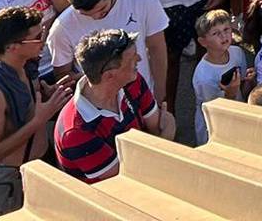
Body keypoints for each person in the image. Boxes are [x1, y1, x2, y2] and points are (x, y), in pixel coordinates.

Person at [52, 28, 174, 183]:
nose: (139, 59)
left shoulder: (132, 80)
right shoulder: (76, 131)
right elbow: (125, 178)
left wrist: (160, 139)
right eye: (131, 59)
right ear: (109, 75)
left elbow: (156, 127)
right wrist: (167, 137)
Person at [45, 0, 168, 104]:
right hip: (98, 108)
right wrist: (97, 77)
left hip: (144, 96)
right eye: (86, 15)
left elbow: (156, 47)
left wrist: (160, 90)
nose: (97, 17)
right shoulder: (62, 28)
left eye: (102, 10)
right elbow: (63, 75)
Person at [0, 6, 72, 207]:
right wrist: (39, 120)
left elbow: (29, 106)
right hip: (17, 181)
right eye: (37, 37)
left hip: (41, 161)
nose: (42, 41)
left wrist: (46, 94)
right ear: (12, 47)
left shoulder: (25, 64)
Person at [187, 8, 247, 144]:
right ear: (203, 42)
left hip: (239, 114)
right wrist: (230, 94)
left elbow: (242, 82)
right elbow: (214, 110)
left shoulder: (237, 53)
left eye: (226, 30)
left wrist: (249, 80)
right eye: (216, 33)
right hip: (214, 125)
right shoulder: (203, 76)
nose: (223, 36)